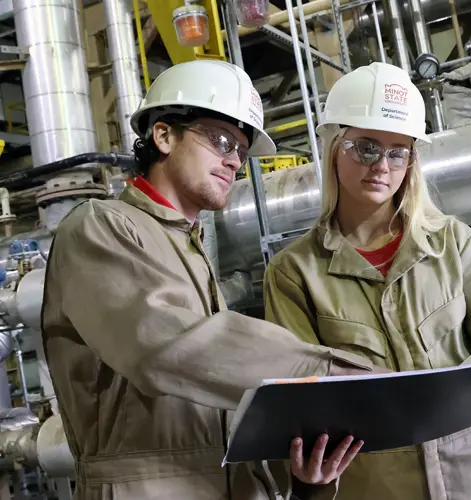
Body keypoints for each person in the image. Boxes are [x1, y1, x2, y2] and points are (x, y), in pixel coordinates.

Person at [40, 60, 374, 500]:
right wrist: (325, 373)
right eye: (220, 141)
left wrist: (302, 484)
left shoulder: (189, 247)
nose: (234, 160)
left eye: (241, 150)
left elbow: (217, 399)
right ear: (163, 135)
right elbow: (163, 346)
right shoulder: (100, 227)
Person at [263, 61, 471, 499]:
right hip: (378, 485)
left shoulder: (453, 243)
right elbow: (297, 401)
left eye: (399, 152)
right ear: (334, 146)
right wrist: (306, 477)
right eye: (366, 148)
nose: (382, 166)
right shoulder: (294, 272)